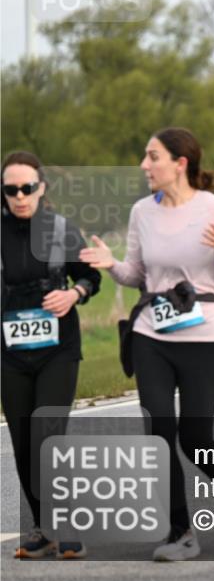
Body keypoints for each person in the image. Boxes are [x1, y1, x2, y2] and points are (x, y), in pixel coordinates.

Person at [80, 127, 214, 561]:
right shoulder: (142, 212)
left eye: (152, 157)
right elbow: (137, 274)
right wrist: (111, 265)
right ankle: (181, 534)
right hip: (151, 335)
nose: (144, 165)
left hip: (204, 337)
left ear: (180, 163)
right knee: (159, 433)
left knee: (195, 437)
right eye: (144, 157)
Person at [2, 152, 101, 560]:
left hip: (58, 350)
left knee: (48, 437)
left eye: (28, 188)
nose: (20, 196)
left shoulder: (61, 229)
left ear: (42, 189)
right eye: (11, 190)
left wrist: (74, 293)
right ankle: (43, 530)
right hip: (9, 354)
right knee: (24, 444)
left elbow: (90, 276)